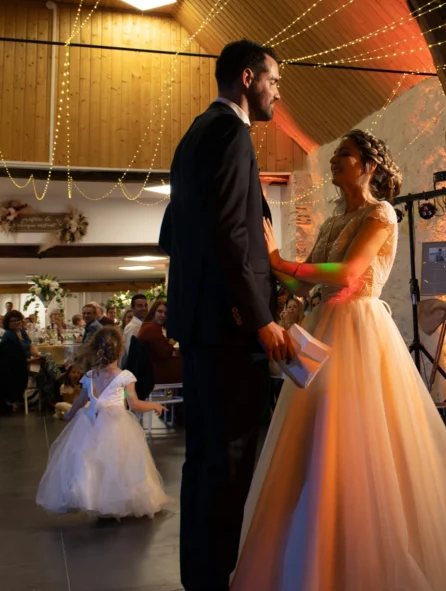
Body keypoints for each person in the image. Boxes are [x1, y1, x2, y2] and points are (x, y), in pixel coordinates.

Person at [230, 130, 446, 590]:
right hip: (323, 330)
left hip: (361, 333)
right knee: (316, 446)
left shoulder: (382, 213)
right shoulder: (330, 224)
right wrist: (273, 274)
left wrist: (281, 260)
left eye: (343, 155)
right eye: (334, 156)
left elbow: (348, 275)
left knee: (361, 444)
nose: (334, 162)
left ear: (369, 165)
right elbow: (304, 287)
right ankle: (315, 556)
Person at [160, 38, 294, 591]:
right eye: (274, 81)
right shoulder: (232, 134)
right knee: (232, 461)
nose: (277, 93)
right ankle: (218, 579)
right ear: (247, 78)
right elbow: (232, 235)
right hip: (227, 327)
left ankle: (201, 577)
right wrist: (257, 314)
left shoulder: (193, 136)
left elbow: (174, 231)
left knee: (205, 461)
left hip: (199, 324)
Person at [36, 326, 170, 518]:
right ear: (121, 351)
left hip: (89, 422)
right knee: (120, 463)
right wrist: (155, 407)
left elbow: (81, 400)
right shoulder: (125, 377)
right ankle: (119, 499)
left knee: (91, 462)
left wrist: (69, 415)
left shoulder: (90, 376)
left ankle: (94, 498)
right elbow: (134, 404)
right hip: (117, 426)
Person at [137, 299, 181, 385]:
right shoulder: (151, 328)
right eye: (160, 312)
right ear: (153, 311)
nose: (163, 315)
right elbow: (166, 352)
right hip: (154, 371)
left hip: (151, 368)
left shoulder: (148, 326)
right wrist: (171, 344)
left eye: (165, 313)